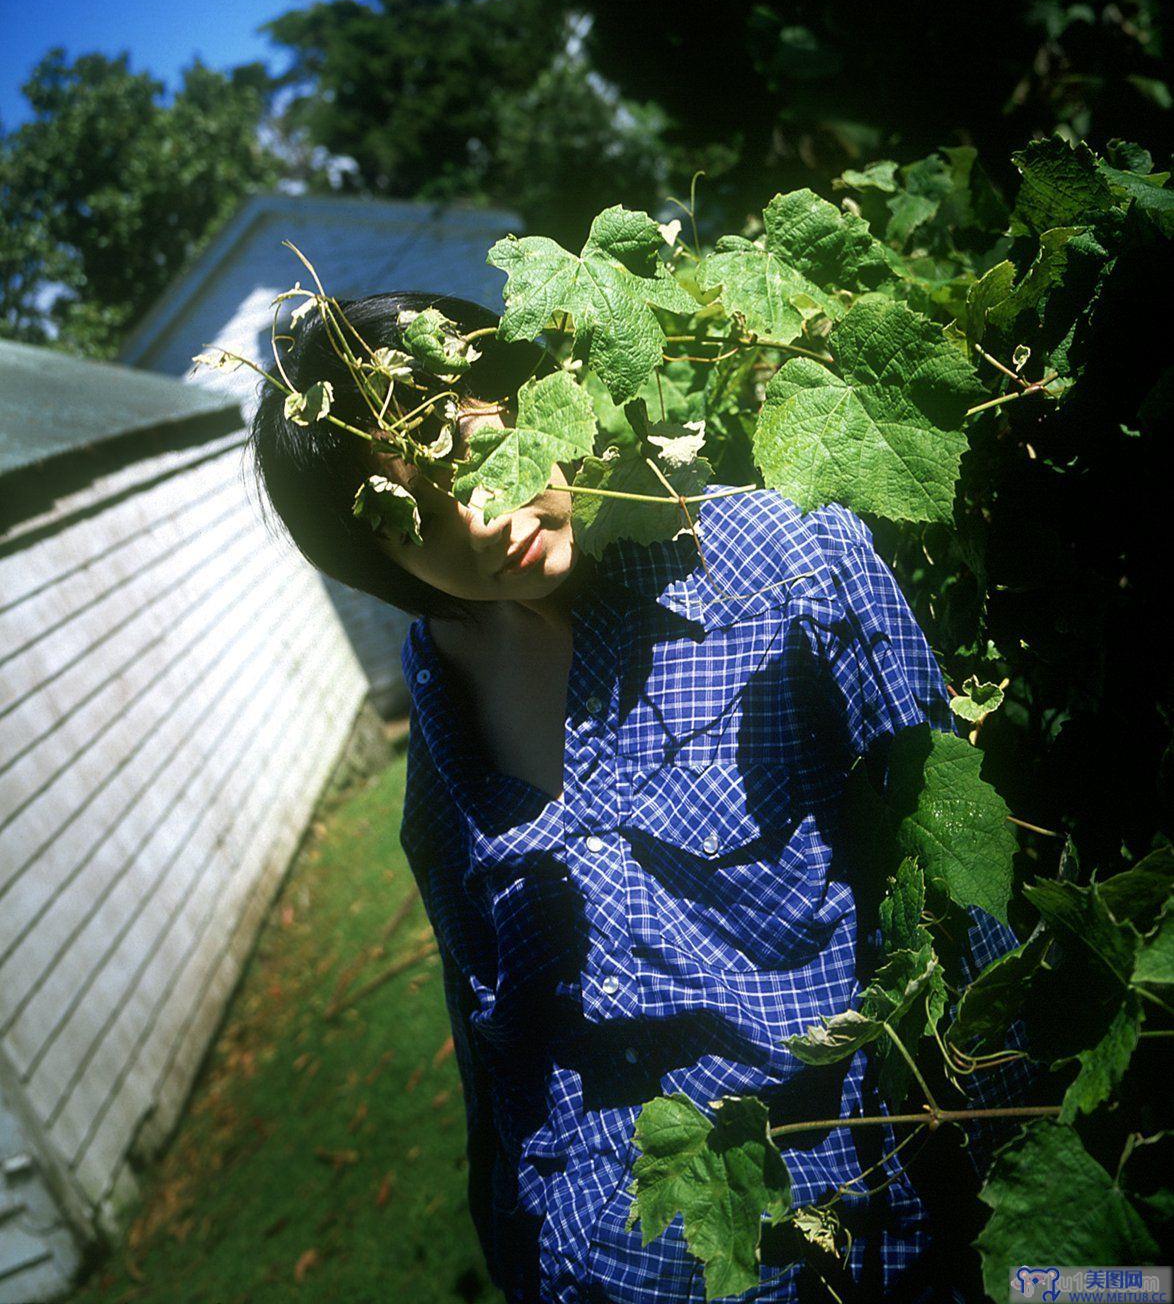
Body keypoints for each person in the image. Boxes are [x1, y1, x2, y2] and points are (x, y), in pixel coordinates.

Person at [249, 290, 1039, 1304]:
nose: (481, 523)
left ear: (532, 399)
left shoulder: (780, 563)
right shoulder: (441, 698)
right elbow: (496, 1050)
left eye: (470, 459)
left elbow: (966, 916)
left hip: (848, 1250)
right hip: (585, 1264)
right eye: (416, 521)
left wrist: (1041, 1259)